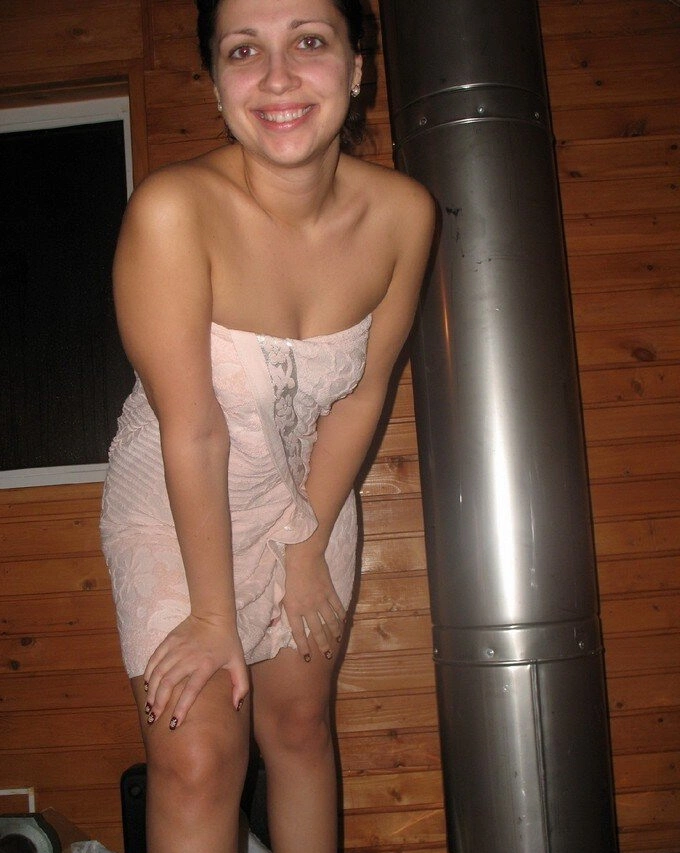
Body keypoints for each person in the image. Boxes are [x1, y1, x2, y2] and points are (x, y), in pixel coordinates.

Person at [99, 0, 434, 850]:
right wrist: (214, 618)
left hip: (312, 492)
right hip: (178, 494)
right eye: (244, 51)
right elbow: (195, 429)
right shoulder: (174, 210)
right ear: (216, 84)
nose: (278, 78)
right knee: (200, 755)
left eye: (309, 42)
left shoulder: (403, 214)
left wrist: (306, 541)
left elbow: (362, 395)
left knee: (297, 728)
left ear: (356, 68)